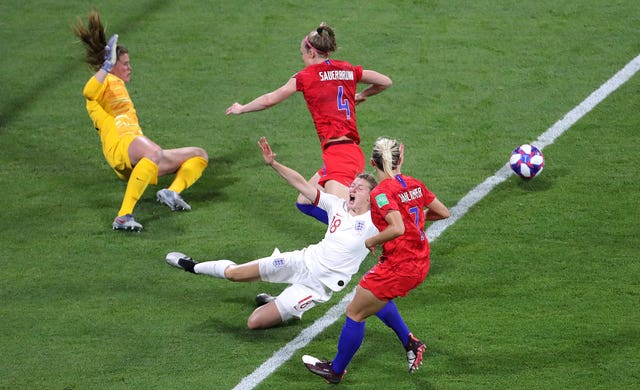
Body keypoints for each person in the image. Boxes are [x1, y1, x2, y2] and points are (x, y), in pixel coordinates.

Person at [165, 137, 379, 329]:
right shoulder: (336, 205)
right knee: (234, 274)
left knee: (254, 322)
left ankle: (284, 302)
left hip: (316, 286)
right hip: (301, 261)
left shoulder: (374, 222)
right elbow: (301, 184)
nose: (352, 190)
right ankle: (191, 265)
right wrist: (273, 164)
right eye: (352, 185)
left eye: (359, 188)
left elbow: (403, 227)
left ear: (371, 197)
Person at [302, 137, 450, 384]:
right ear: (400, 159)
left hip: (400, 267)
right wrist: (418, 222)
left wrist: (371, 242)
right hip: (418, 260)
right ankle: (411, 342)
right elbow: (443, 212)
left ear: (372, 163)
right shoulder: (414, 184)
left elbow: (397, 228)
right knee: (371, 295)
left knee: (355, 312)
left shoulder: (381, 193)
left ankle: (336, 371)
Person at [226, 22, 392, 224]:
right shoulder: (347, 69)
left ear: (312, 53)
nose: (302, 59)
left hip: (340, 155)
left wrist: (242, 108)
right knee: (304, 202)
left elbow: (270, 99)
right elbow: (385, 81)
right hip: (342, 152)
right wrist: (361, 95)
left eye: (302, 54)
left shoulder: (305, 77)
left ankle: (371, 230)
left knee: (343, 219)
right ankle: (356, 229)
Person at [73, 10, 209, 231]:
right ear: (112, 64)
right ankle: (123, 216)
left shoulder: (117, 85)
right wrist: (106, 67)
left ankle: (171, 192)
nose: (129, 67)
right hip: (120, 147)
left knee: (199, 155)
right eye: (124, 63)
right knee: (154, 152)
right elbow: (88, 92)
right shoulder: (103, 82)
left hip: (134, 151)